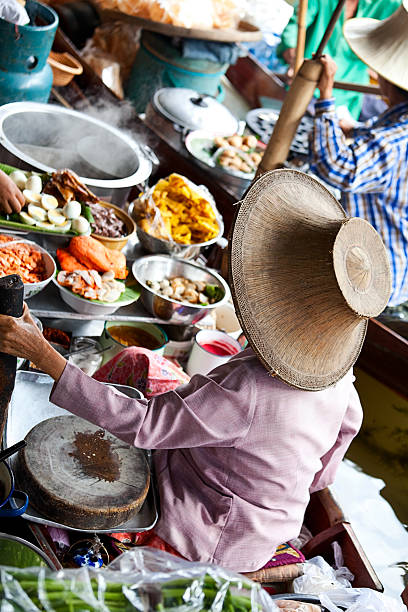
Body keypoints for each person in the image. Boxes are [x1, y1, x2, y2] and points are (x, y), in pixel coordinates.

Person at [0, 169, 391, 572]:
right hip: (272, 523)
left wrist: (44, 354)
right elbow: (327, 467)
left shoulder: (247, 390)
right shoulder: (339, 380)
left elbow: (144, 426)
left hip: (210, 535)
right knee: (144, 361)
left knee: (70, 518)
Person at [309, 1, 408, 308]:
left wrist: (325, 99)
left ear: (387, 82)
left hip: (372, 280)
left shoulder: (396, 140)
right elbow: (380, 140)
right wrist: (354, 129)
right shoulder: (395, 128)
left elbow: (338, 168)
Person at [277, 0, 400, 120]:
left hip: (352, 94)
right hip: (309, 87)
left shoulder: (390, 4)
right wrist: (295, 61)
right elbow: (292, 32)